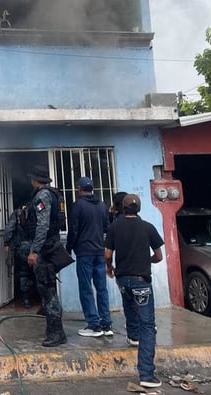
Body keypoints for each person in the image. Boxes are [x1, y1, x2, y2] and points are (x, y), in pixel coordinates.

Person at [104, 193, 164, 390]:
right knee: (147, 324)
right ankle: (146, 374)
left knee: (129, 306)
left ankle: (133, 336)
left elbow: (107, 254)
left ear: (123, 207)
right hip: (141, 281)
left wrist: (109, 267)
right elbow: (158, 256)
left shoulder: (114, 227)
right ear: (138, 208)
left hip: (123, 279)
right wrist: (148, 261)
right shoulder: (148, 227)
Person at [25, 165, 67, 347]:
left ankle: (57, 333)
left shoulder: (42, 196)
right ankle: (53, 328)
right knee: (49, 288)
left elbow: (42, 226)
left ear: (35, 180)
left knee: (48, 291)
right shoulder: (54, 194)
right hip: (52, 245)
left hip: (46, 249)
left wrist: (34, 251)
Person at [66, 176, 113, 337]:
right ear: (92, 188)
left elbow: (73, 229)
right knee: (102, 288)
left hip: (84, 252)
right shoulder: (101, 205)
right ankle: (106, 324)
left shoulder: (78, 205)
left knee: (86, 288)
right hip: (99, 251)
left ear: (79, 188)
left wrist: (68, 248)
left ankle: (93, 325)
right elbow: (107, 228)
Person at [3, 204, 35, 308]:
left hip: (21, 247)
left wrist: (6, 243)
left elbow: (9, 229)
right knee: (36, 272)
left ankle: (26, 299)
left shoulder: (17, 213)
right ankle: (40, 298)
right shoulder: (36, 211)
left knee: (23, 273)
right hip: (35, 247)